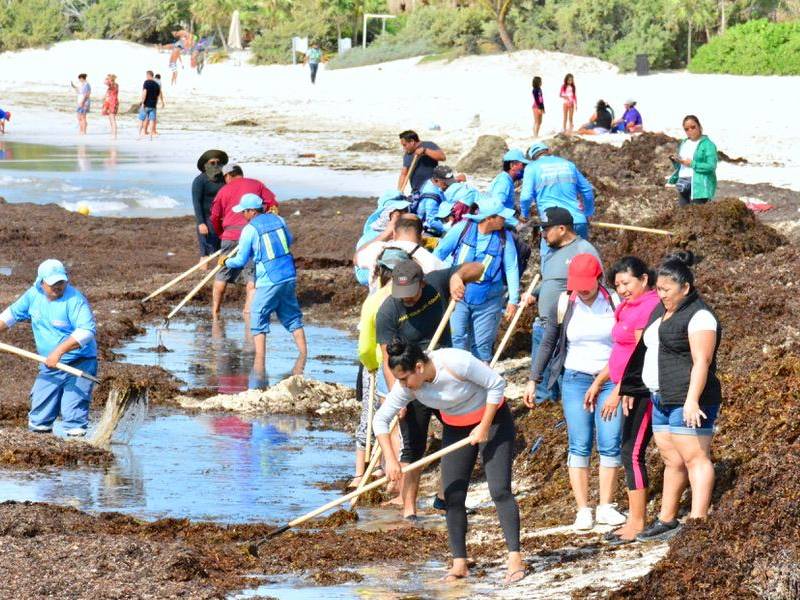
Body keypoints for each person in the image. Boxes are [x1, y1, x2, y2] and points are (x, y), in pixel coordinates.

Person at [373, 340, 526, 584]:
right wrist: (391, 460)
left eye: (404, 379)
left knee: (499, 490)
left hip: (493, 419)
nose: (402, 385)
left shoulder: (455, 362)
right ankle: (459, 564)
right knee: (452, 495)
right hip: (456, 427)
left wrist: (484, 426)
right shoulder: (409, 388)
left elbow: (497, 384)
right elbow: (380, 420)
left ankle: (515, 559)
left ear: (420, 367)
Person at [620, 252, 721, 542]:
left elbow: (702, 361)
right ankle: (667, 518)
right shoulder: (662, 311)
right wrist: (632, 387)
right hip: (659, 396)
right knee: (671, 459)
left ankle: (698, 521)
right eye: (659, 289)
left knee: (695, 457)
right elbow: (646, 351)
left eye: (666, 290)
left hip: (688, 398)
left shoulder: (700, 315)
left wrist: (692, 400)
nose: (660, 295)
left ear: (685, 288)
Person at [375, 259, 485, 520]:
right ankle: (409, 509)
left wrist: (458, 277)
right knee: (414, 447)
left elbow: (478, 268)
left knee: (465, 435)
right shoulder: (388, 311)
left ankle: (445, 498)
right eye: (400, 294)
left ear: (421, 283)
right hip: (412, 383)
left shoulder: (437, 284)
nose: (406, 300)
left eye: (410, 294)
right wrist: (397, 396)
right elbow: (388, 360)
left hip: (443, 375)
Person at [524, 253, 626, 531]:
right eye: (576, 284)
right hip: (574, 379)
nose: (581, 289)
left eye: (586, 283)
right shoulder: (565, 303)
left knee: (609, 439)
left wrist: (620, 383)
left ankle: (606, 506)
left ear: (598, 278)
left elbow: (626, 344)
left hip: (610, 380)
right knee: (579, 442)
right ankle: (583, 509)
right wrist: (534, 379)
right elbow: (548, 343)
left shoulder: (615, 302)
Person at [586, 256, 661, 544]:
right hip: (624, 386)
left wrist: (621, 391)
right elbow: (620, 349)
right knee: (628, 450)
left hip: (640, 391)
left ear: (644, 279)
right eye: (617, 285)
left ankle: (637, 522)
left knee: (632, 452)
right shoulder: (627, 306)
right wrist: (601, 381)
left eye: (627, 283)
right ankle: (635, 518)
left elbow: (642, 354)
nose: (622, 289)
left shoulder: (648, 306)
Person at [0, 260, 97, 436]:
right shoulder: (33, 295)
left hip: (80, 362)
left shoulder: (75, 300)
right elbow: (9, 316)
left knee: (73, 411)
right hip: (49, 364)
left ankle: (75, 453)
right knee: (39, 414)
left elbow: (86, 331)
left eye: (61, 282)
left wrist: (58, 352)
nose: (59, 286)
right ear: (41, 282)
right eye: (53, 283)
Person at [220, 194, 307, 379]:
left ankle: (259, 363)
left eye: (244, 211)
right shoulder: (278, 219)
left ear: (252, 211)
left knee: (257, 315)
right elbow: (288, 241)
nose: (243, 215)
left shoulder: (250, 229)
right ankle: (304, 354)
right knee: (292, 316)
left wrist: (226, 261)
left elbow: (241, 260)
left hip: (270, 278)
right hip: (289, 274)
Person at [522, 207, 600, 405]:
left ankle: (568, 410)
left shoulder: (583, 250)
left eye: (546, 229)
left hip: (564, 324)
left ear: (562, 229)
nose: (542, 233)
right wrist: (534, 292)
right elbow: (551, 281)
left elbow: (598, 284)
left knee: (564, 372)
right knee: (541, 371)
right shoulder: (551, 252)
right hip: (543, 323)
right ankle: (543, 405)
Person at [434, 195, 520, 362]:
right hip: (458, 296)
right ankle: (459, 374)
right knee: (457, 337)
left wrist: (513, 300)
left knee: (482, 344)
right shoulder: (462, 229)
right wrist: (443, 281)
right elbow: (439, 254)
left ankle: (481, 377)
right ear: (489, 218)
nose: (505, 219)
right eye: (501, 216)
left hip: (489, 298)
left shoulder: (505, 237)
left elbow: (511, 267)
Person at [210, 164, 279, 319]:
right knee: (251, 275)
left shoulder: (223, 190)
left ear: (228, 176)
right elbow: (273, 204)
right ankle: (248, 314)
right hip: (253, 232)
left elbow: (214, 216)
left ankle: (215, 313)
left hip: (230, 235)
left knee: (222, 273)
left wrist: (222, 233)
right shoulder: (256, 184)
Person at [520, 142, 595, 245]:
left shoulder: (532, 168)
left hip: (553, 225)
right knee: (581, 258)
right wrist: (588, 212)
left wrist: (524, 215)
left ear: (532, 158)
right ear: (548, 151)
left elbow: (525, 197)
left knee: (551, 260)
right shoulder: (569, 164)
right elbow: (587, 190)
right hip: (577, 220)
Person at [355, 214, 447, 291]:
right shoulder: (433, 261)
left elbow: (356, 258)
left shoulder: (378, 249)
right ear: (421, 235)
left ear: (394, 233)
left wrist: (385, 234)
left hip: (378, 309)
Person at [668, 115, 718, 207]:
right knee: (683, 216)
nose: (690, 130)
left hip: (699, 185)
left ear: (699, 126)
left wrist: (692, 164)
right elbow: (681, 166)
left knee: (698, 217)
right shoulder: (684, 143)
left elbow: (711, 167)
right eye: (686, 129)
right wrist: (676, 161)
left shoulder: (708, 145)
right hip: (682, 182)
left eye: (693, 127)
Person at [192, 149, 228, 263]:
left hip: (223, 220)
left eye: (219, 163)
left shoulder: (225, 179)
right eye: (212, 163)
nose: (216, 165)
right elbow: (196, 203)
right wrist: (201, 223)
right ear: (205, 165)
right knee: (205, 254)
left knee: (222, 252)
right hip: (207, 220)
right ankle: (202, 275)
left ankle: (218, 276)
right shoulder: (199, 181)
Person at [139, 71, 161, 139]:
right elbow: (157, 96)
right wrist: (155, 104)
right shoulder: (157, 84)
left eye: (146, 75)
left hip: (146, 105)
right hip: (153, 105)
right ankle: (151, 136)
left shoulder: (146, 82)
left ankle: (139, 134)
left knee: (141, 119)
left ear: (148, 75)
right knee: (151, 120)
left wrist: (142, 103)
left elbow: (144, 93)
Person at [101, 74, 119, 139]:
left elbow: (105, 82)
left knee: (112, 119)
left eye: (108, 79)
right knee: (111, 119)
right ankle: (113, 133)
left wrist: (108, 79)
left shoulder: (114, 85)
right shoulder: (113, 85)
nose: (107, 80)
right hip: (110, 103)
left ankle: (114, 135)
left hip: (112, 103)